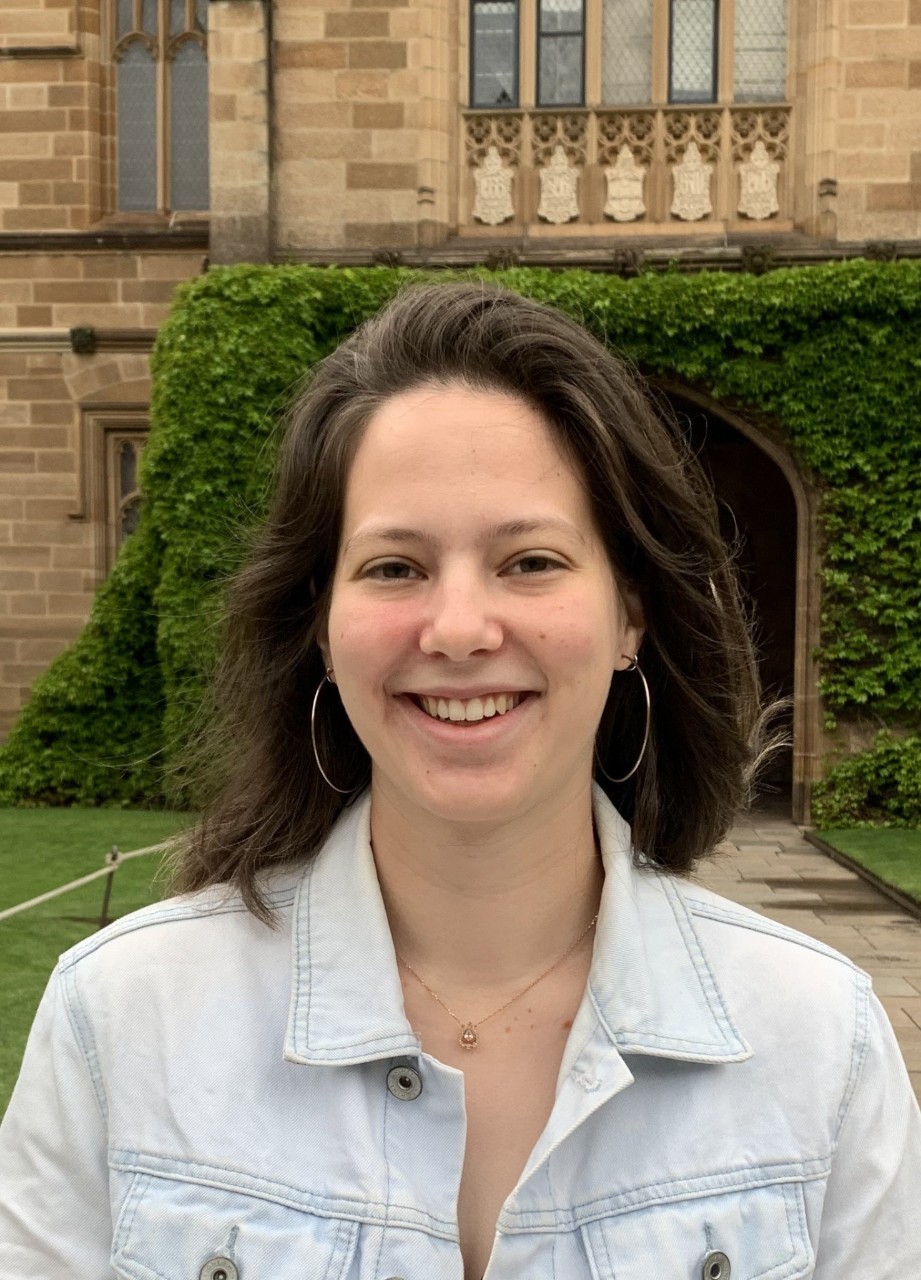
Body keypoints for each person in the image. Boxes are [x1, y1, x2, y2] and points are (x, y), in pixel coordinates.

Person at [1, 282, 919, 1280]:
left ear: (630, 616)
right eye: (395, 566)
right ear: (320, 618)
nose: (459, 628)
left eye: (530, 559)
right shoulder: (122, 1020)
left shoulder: (819, 1040)